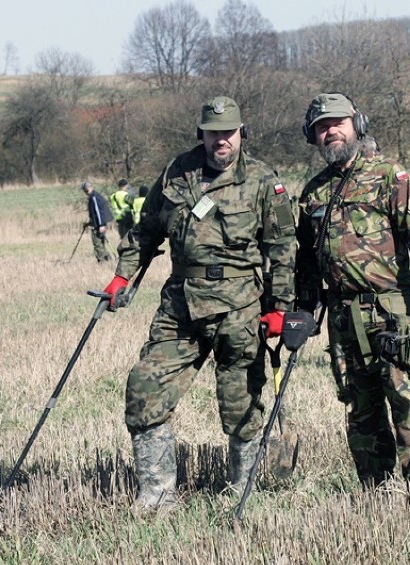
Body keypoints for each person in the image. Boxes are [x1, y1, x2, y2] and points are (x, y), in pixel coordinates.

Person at [101, 95, 296, 509]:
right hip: (180, 308)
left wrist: (280, 308)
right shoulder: (177, 173)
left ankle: (242, 490)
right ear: (201, 134)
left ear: (242, 133)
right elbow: (146, 229)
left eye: (228, 133)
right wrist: (122, 275)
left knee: (241, 403)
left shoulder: (263, 181)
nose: (220, 141)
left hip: (240, 307)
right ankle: (156, 497)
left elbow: (282, 249)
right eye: (213, 133)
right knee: (144, 388)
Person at [294, 92, 410, 489]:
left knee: (408, 400)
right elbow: (308, 259)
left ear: (356, 125)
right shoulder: (313, 193)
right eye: (322, 127)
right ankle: (374, 491)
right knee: (359, 407)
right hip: (343, 316)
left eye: (337, 123)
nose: (331, 132)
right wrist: (306, 305)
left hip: (393, 312)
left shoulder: (387, 175)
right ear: (312, 137)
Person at [81, 181, 114, 262]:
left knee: (97, 243)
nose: (85, 193)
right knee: (101, 242)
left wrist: (101, 225)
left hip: (99, 225)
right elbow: (95, 214)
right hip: (98, 224)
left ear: (87, 189)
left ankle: (102, 260)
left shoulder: (94, 197)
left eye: (84, 190)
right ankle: (107, 259)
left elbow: (99, 212)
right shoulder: (94, 196)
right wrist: (89, 223)